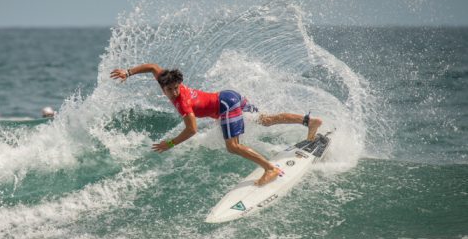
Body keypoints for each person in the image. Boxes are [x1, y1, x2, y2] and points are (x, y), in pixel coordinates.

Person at [110, 64, 322, 186]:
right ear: (162, 86)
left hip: (225, 105)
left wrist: (171, 144)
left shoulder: (183, 103)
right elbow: (152, 67)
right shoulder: (163, 79)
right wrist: (128, 73)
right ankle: (310, 121)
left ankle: (270, 169)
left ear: (179, 84)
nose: (174, 92)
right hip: (229, 96)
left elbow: (192, 129)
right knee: (265, 120)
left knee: (232, 146)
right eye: (170, 89)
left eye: (176, 88)